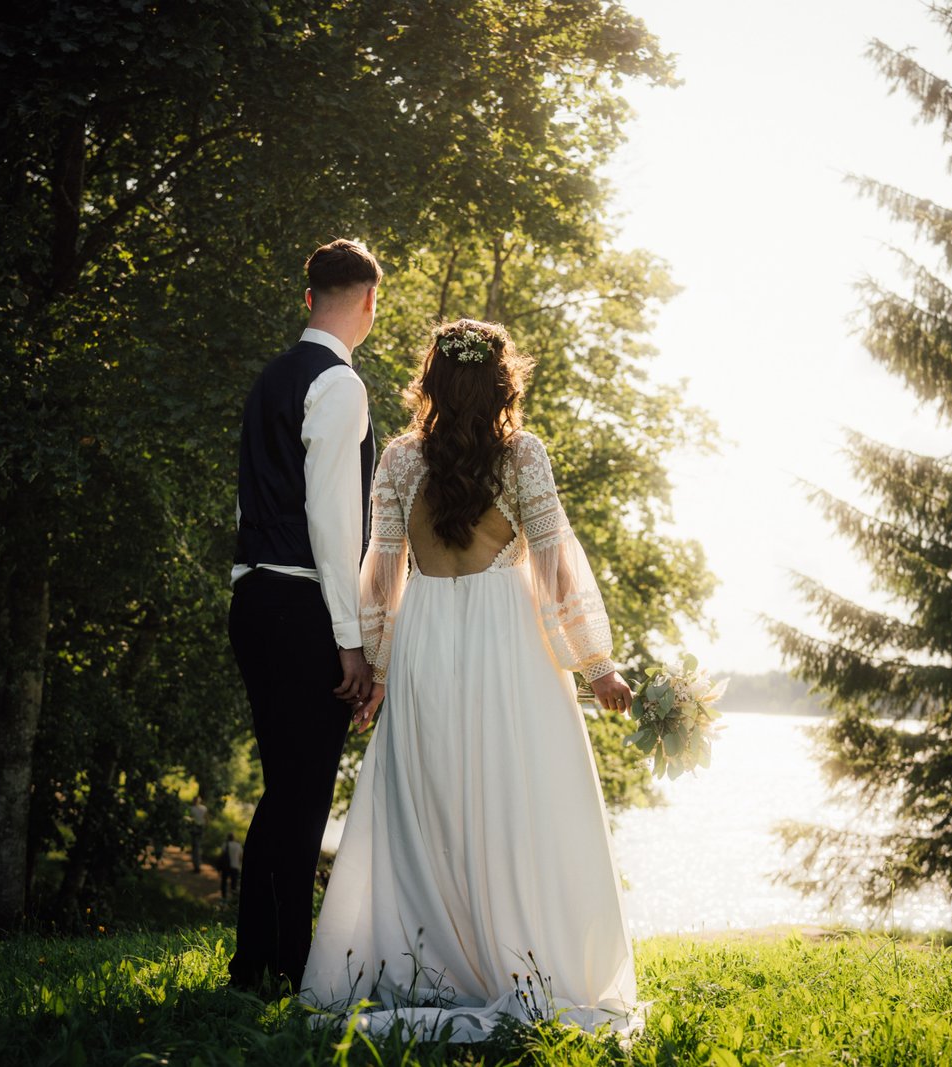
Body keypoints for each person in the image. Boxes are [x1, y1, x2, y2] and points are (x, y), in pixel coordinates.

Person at [298, 319, 639, 1041]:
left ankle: (431, 958)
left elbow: (382, 573)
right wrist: (597, 664)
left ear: (432, 383)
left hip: (425, 638)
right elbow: (553, 565)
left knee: (434, 798)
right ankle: (513, 957)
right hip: (506, 644)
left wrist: (377, 669)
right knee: (514, 797)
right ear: (502, 382)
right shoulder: (523, 457)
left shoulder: (396, 460)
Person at [227, 238, 382, 992]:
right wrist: (351, 641)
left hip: (253, 596)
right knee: (302, 789)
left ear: (308, 295)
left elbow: (247, 499)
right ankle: (282, 963)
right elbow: (335, 519)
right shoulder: (339, 383)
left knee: (284, 786)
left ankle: (260, 957)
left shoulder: (271, 379)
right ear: (369, 302)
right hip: (301, 606)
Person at [220, 833, 244, 901]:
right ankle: (233, 900)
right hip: (235, 866)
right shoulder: (238, 845)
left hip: (226, 867)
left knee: (224, 882)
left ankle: (223, 897)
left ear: (228, 837)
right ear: (234, 838)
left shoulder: (225, 844)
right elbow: (241, 857)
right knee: (234, 883)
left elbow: (222, 855)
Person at [188, 795, 209, 871]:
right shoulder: (204, 808)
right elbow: (207, 819)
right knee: (198, 847)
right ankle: (197, 864)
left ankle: (196, 865)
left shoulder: (192, 809)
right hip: (201, 828)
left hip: (195, 828)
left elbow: (190, 819)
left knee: (195, 847)